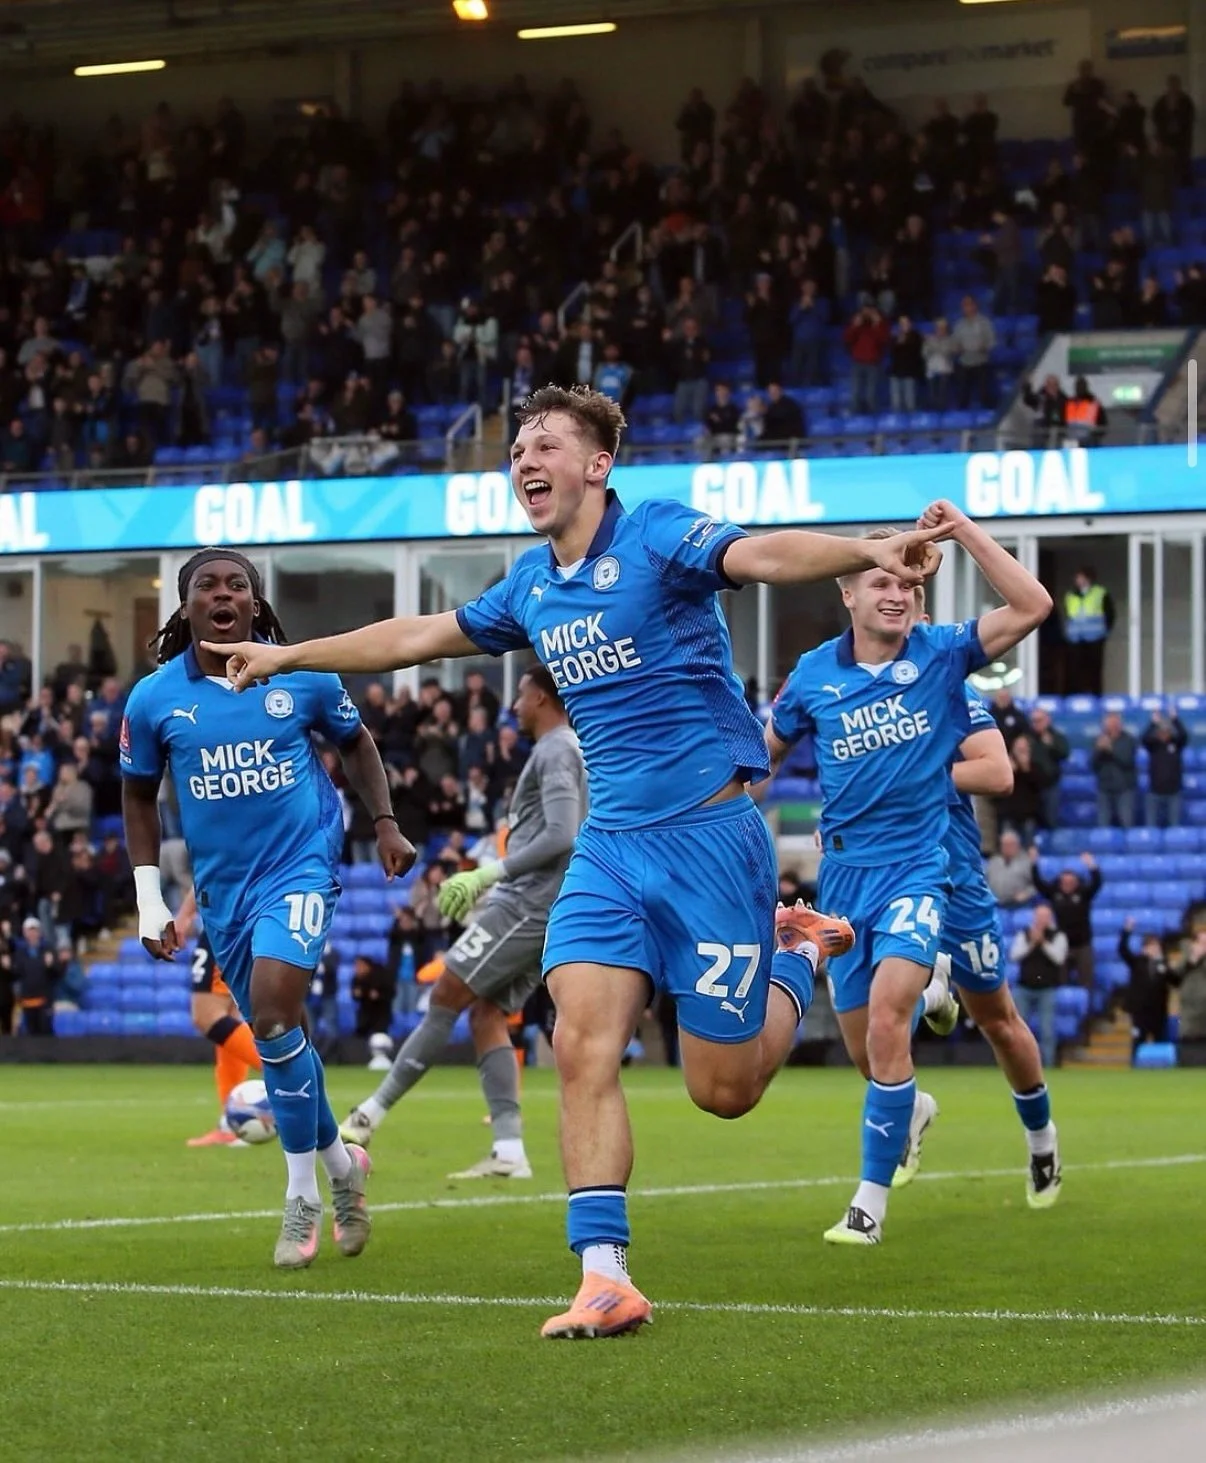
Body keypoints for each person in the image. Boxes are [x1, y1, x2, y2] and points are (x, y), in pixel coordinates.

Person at [201, 382, 949, 1337]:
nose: (525, 459)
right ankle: (604, 1274)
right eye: (517, 449)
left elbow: (761, 555)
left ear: (598, 464)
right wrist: (290, 654)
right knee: (579, 1041)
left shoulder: (659, 535)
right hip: (610, 851)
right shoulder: (531, 584)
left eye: (545, 444)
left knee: (723, 1092)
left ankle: (798, 951)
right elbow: (420, 635)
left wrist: (870, 550)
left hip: (713, 845)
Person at [764, 501, 1052, 1244]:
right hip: (844, 880)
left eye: (909, 586)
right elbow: (761, 760)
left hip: (926, 869)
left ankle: (872, 1204)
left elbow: (1032, 606)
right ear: (848, 592)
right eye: (881, 581)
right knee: (872, 1051)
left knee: (943, 1015)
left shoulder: (943, 661)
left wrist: (961, 531)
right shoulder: (813, 675)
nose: (897, 594)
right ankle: (913, 1098)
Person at [121, 548, 415, 1269]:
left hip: (300, 868)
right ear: (187, 605)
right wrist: (149, 899)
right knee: (284, 1041)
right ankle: (344, 1166)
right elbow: (137, 795)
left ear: (255, 604)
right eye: (207, 585)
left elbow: (356, 742)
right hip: (224, 892)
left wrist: (384, 822)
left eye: (238, 585)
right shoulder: (155, 699)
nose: (223, 595)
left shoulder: (302, 674)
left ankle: (300, 1197)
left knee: (278, 1015)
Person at [341, 664, 588, 1179]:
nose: (514, 707)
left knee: (447, 991)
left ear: (541, 698)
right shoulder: (556, 749)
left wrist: (487, 874)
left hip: (529, 903)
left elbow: (562, 834)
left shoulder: (557, 749)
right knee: (486, 1014)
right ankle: (509, 1151)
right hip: (538, 903)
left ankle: (369, 1115)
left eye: (520, 696)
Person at [931, 678, 1061, 1205]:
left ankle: (1042, 1139)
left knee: (998, 1022)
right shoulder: (836, 683)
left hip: (955, 878)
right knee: (870, 1005)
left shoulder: (945, 687)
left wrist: (909, 771)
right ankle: (899, 1123)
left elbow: (998, 772)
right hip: (882, 875)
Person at [174, 885, 265, 1147]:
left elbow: (210, 871)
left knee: (206, 1016)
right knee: (228, 1017)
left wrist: (184, 915)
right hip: (247, 918)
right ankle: (230, 1124)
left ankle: (292, 1076)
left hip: (227, 920)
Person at [1031, 849, 1101, 993]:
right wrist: (1034, 863)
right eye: (1064, 881)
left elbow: (1097, 883)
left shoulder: (1084, 893)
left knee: (1086, 981)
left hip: (1083, 944)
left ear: (1076, 882)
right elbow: (1038, 884)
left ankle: (1087, 1005)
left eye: (1070, 882)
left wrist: (1092, 866)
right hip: (1061, 944)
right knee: (1060, 980)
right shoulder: (1054, 893)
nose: (1067, 884)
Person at [1009, 904, 1066, 1068]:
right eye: (1039, 916)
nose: (1041, 920)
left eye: (1045, 917)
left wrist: (1043, 943)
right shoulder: (1024, 934)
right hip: (1024, 987)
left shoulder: (1058, 936)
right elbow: (1014, 955)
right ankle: (1020, 1065)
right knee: (1019, 1030)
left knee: (1047, 1030)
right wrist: (1032, 944)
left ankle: (1048, 1064)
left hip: (1047, 989)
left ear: (1050, 918)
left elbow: (1059, 958)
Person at [1118, 918, 1174, 1057]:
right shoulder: (1137, 962)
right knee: (1138, 1040)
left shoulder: (1163, 965)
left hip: (1158, 1011)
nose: (1154, 950)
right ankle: (1136, 1063)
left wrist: (1164, 965)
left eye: (1156, 947)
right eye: (1150, 946)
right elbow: (1123, 950)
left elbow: (1175, 981)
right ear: (1144, 948)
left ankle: (1160, 1065)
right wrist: (1127, 931)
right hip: (1140, 1011)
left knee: (1159, 1041)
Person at [1063, 566, 1114, 696]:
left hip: (1095, 637)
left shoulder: (1100, 593)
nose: (1078, 580)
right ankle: (1076, 694)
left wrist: (1105, 631)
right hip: (1075, 638)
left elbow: (1110, 613)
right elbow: (1068, 615)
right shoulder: (1070, 595)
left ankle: (1096, 695)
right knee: (1075, 668)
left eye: (1081, 577)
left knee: (1094, 668)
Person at [1142, 705, 1188, 828]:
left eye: (1166, 730)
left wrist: (1175, 720)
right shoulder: (1153, 745)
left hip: (1174, 793)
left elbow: (1184, 735)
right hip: (1154, 792)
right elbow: (1144, 739)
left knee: (1174, 827)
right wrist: (1153, 723)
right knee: (1151, 828)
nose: (1164, 733)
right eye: (1161, 730)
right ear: (1157, 732)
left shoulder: (1176, 744)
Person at [1092, 711, 1138, 828]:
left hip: (1124, 789)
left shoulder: (1129, 739)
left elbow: (1127, 760)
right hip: (1104, 788)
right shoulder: (1099, 739)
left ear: (1119, 724)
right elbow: (1092, 765)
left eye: (1114, 723)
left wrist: (1111, 750)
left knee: (1126, 823)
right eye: (1108, 724)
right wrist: (1099, 751)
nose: (1111, 726)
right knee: (1103, 825)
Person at [986, 829, 1036, 907]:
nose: (1007, 848)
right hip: (994, 904)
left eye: (1011, 844)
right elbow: (984, 881)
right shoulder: (993, 862)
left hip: (1018, 905)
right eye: (1004, 845)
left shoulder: (1027, 863)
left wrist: (1026, 894)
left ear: (1018, 845)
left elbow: (1036, 885)